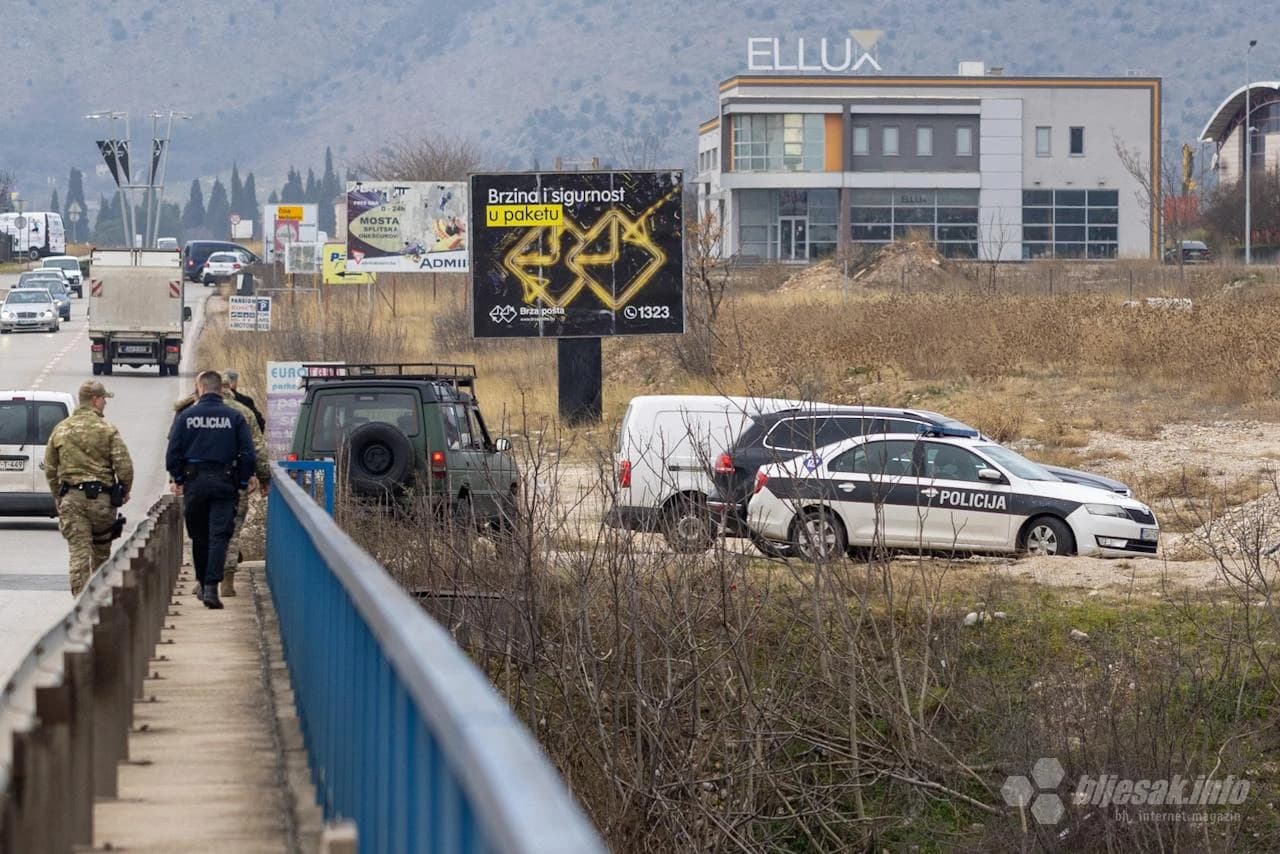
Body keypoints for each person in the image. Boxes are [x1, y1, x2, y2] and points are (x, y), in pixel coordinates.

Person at [166, 370, 256, 609]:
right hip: (225, 483)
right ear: (220, 388)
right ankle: (211, 587)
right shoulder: (235, 417)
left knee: (198, 536)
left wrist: (178, 478)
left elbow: (172, 453)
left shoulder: (186, 416)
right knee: (219, 536)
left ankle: (202, 581)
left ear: (202, 388)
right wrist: (243, 482)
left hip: (194, 484)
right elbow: (248, 454)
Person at [44, 381, 133, 596]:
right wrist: (125, 490)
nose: (105, 404)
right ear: (95, 400)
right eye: (104, 399)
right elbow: (124, 466)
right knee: (101, 555)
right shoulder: (107, 430)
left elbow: (50, 468)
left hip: (72, 501)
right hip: (102, 503)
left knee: (78, 555)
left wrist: (58, 495)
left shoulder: (61, 429)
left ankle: (79, 605)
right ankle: (100, 602)